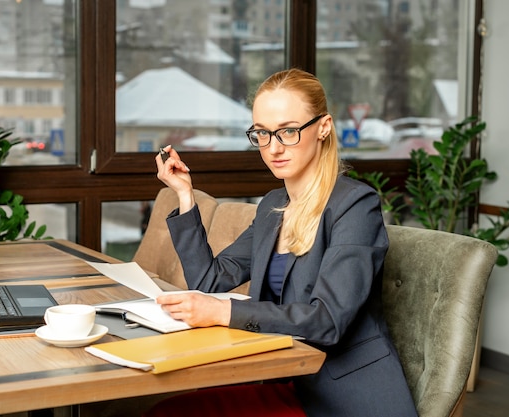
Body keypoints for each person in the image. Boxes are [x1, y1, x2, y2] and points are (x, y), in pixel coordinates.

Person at [147, 68, 418, 417]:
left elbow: (327, 321)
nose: (273, 148)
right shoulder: (272, 207)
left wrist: (221, 312)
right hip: (281, 376)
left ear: (323, 127)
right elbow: (209, 282)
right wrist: (185, 195)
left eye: (288, 131)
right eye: (262, 133)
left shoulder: (354, 205)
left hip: (339, 395)